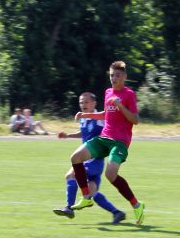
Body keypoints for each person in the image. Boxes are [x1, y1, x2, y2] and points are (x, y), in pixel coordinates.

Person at [68, 61, 145, 225]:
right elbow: (105, 115)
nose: (114, 78)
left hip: (120, 142)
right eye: (111, 75)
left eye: (117, 75)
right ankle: (87, 197)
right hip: (104, 138)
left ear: (125, 77)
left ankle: (136, 205)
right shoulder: (108, 92)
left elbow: (136, 120)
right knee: (75, 158)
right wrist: (85, 115)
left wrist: (120, 106)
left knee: (110, 175)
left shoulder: (129, 94)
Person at [53, 92, 125, 224]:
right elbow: (84, 133)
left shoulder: (101, 119)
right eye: (81, 102)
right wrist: (68, 136)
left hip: (95, 160)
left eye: (86, 102)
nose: (83, 105)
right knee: (92, 193)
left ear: (94, 103)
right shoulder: (83, 118)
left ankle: (69, 207)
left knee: (71, 175)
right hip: (87, 159)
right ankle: (117, 213)